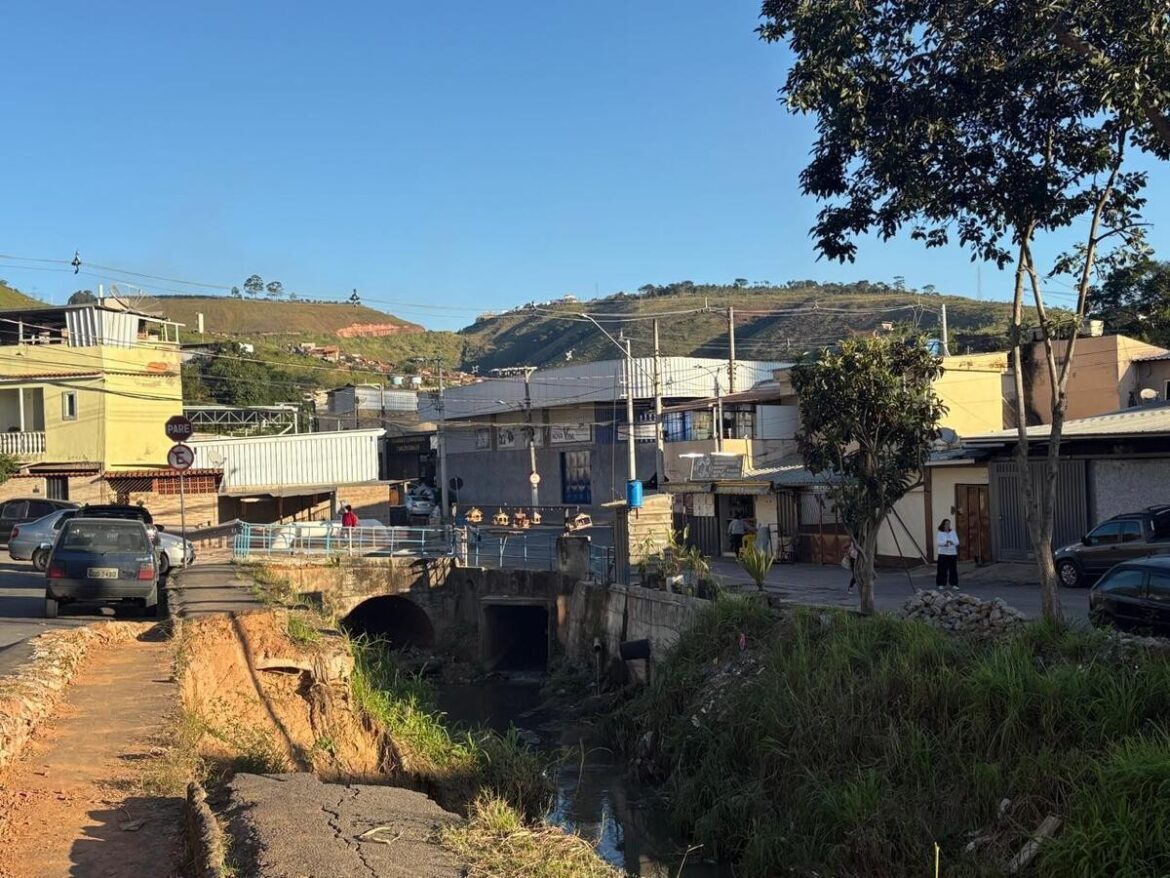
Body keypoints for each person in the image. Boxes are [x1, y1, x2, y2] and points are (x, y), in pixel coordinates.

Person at [936, 519, 960, 589]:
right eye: (946, 524)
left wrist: (952, 542)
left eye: (949, 524)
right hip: (943, 553)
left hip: (952, 553)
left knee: (953, 569)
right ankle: (941, 584)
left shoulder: (953, 532)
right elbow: (938, 542)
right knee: (942, 569)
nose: (948, 525)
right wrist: (944, 543)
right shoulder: (940, 533)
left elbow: (957, 542)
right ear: (943, 525)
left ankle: (954, 584)